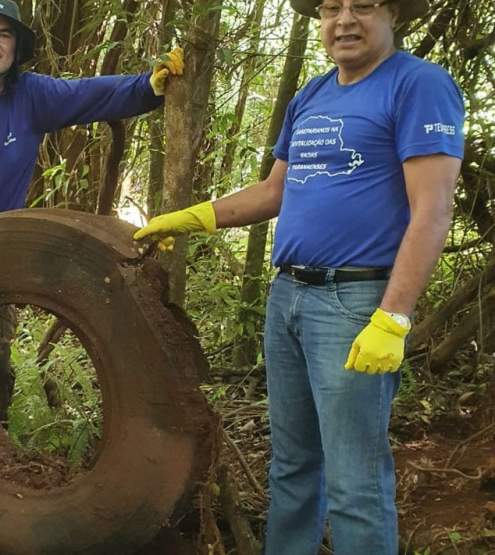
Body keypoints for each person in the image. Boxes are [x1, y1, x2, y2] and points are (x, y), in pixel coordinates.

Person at [134, 0, 463, 553]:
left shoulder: (417, 84)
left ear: (393, 14)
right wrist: (194, 217)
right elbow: (273, 192)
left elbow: (433, 210)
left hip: (355, 302)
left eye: (363, 5)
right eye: (331, 7)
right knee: (292, 467)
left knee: (355, 481)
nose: (345, 19)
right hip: (287, 297)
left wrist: (394, 317)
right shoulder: (311, 94)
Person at [0, 0, 183, 421]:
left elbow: (93, 94)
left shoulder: (31, 95)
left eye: (4, 34)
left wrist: (148, 87)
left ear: (16, 48)